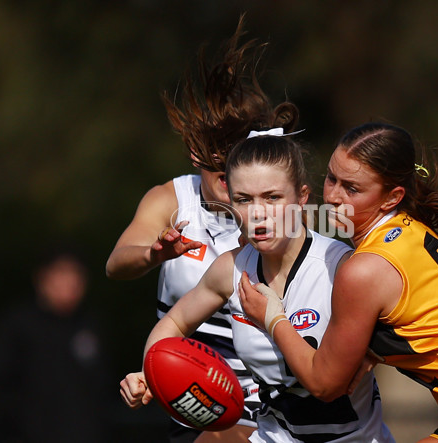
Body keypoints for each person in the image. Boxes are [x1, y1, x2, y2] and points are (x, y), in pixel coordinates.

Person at [238, 122, 438, 442]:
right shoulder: (409, 228)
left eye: (352, 188)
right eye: (331, 178)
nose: (334, 196)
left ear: (392, 197)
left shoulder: (363, 269)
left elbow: (324, 385)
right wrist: (375, 350)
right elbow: (430, 321)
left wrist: (272, 317)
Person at [120, 132, 395, 442]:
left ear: (302, 197)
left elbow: (408, 332)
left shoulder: (340, 267)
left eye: (272, 197)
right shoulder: (231, 269)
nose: (258, 213)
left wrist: (377, 351)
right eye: (244, 200)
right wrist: (150, 373)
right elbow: (175, 321)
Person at [106, 16, 300, 443]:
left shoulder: (275, 216)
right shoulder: (171, 200)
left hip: (263, 398)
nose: (236, 188)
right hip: (189, 394)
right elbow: (116, 265)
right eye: (223, 176)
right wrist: (153, 255)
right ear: (197, 155)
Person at [0, 245, 111, 443]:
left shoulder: (89, 327)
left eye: (77, 275)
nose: (71, 283)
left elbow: (102, 390)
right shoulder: (17, 325)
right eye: (62, 274)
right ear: (42, 279)